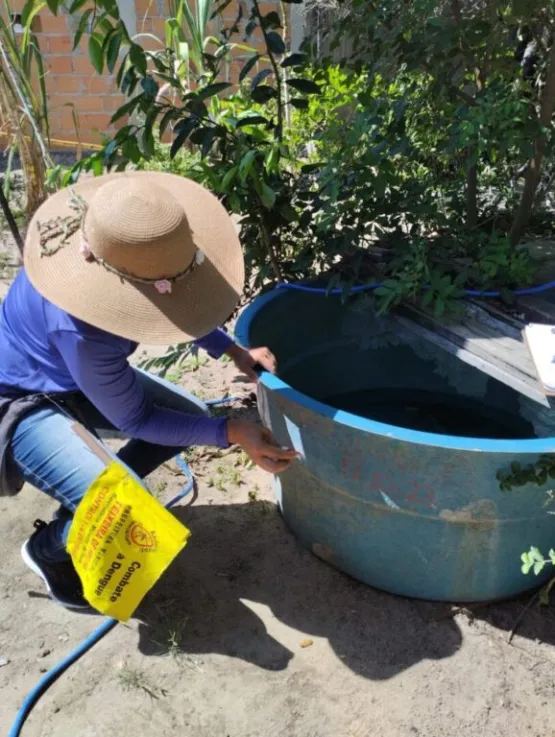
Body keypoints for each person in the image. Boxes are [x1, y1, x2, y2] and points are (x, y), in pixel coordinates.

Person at [0, 171, 296, 610]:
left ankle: (96, 492)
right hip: (20, 400)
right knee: (125, 504)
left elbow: (176, 299)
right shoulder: (82, 328)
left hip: (66, 370)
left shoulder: (104, 246)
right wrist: (233, 430)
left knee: (190, 413)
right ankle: (49, 547)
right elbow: (136, 420)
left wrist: (231, 348)